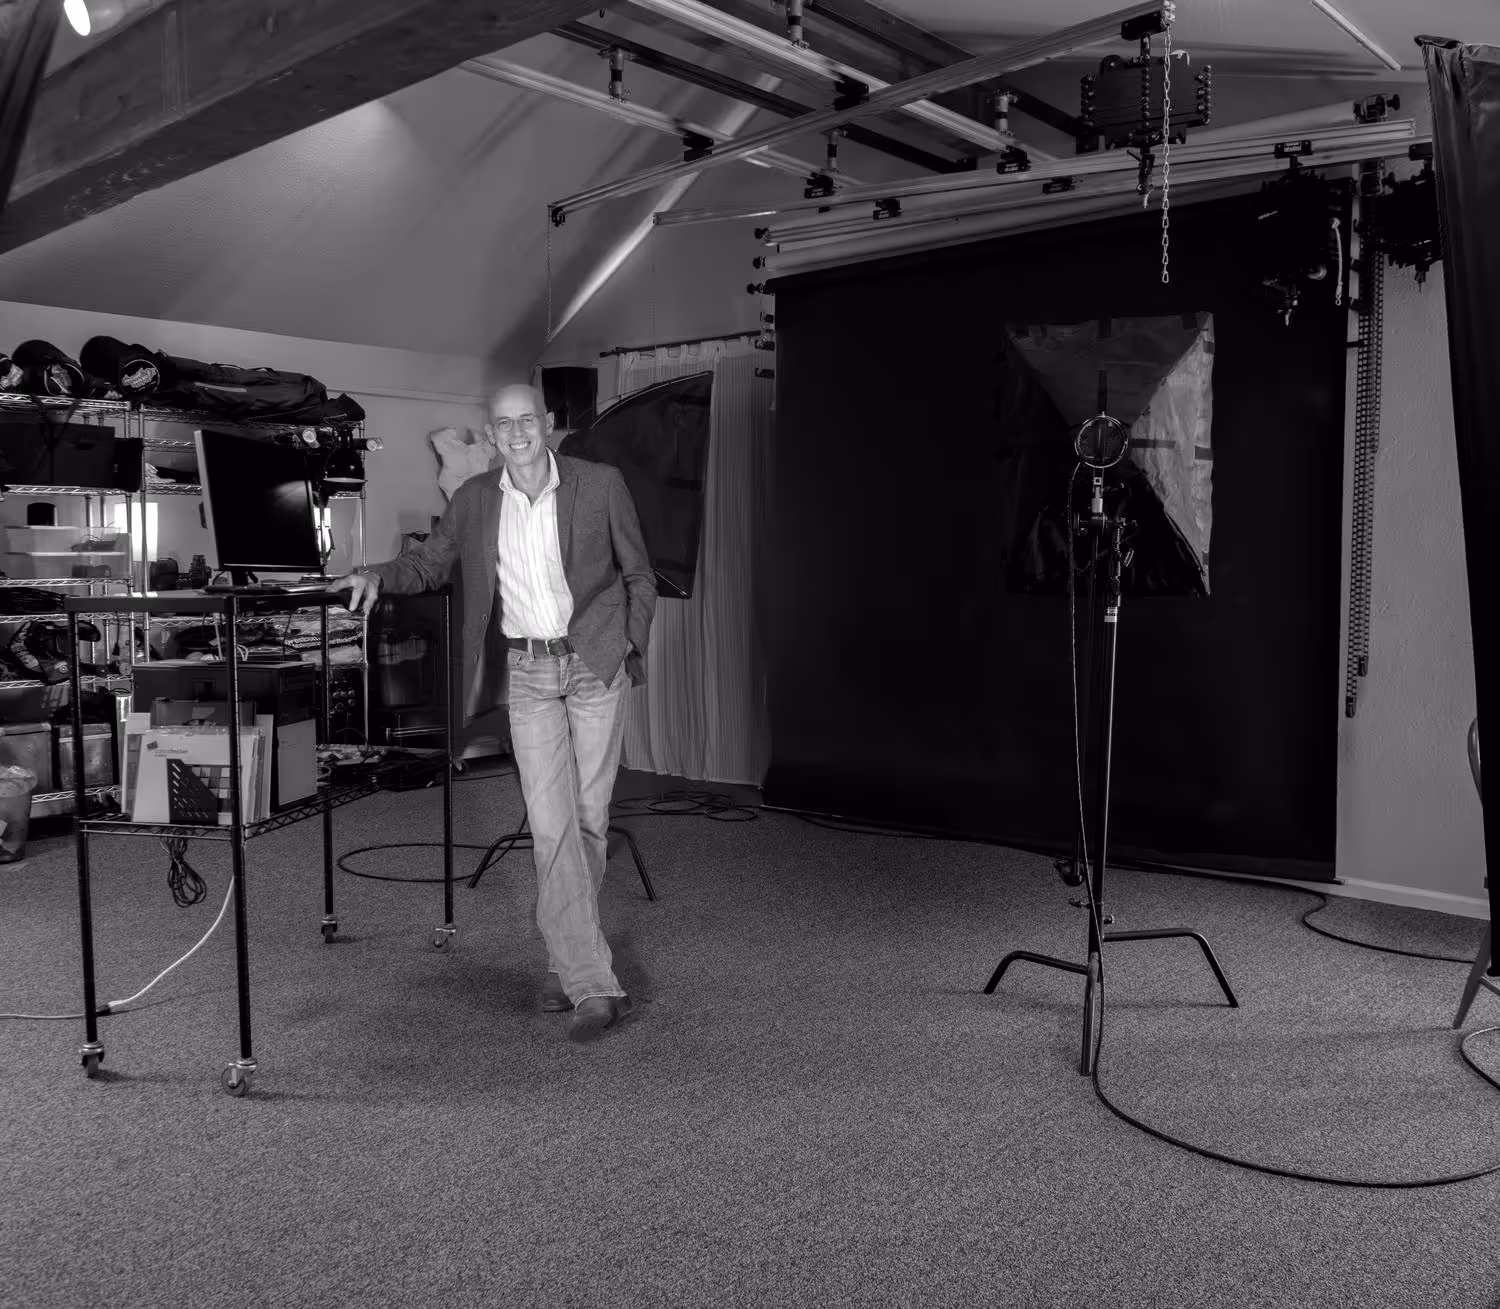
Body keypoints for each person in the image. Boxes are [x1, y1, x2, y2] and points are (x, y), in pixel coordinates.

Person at [336, 383, 657, 1043]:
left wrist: (630, 639)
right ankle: (593, 982)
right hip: (529, 672)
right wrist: (374, 574)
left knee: (589, 820)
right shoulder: (476, 497)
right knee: (551, 825)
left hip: (594, 663)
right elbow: (427, 563)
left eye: (526, 420)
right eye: (503, 424)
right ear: (492, 433)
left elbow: (639, 573)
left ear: (547, 422)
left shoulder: (599, 484)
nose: (516, 433)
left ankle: (564, 959)